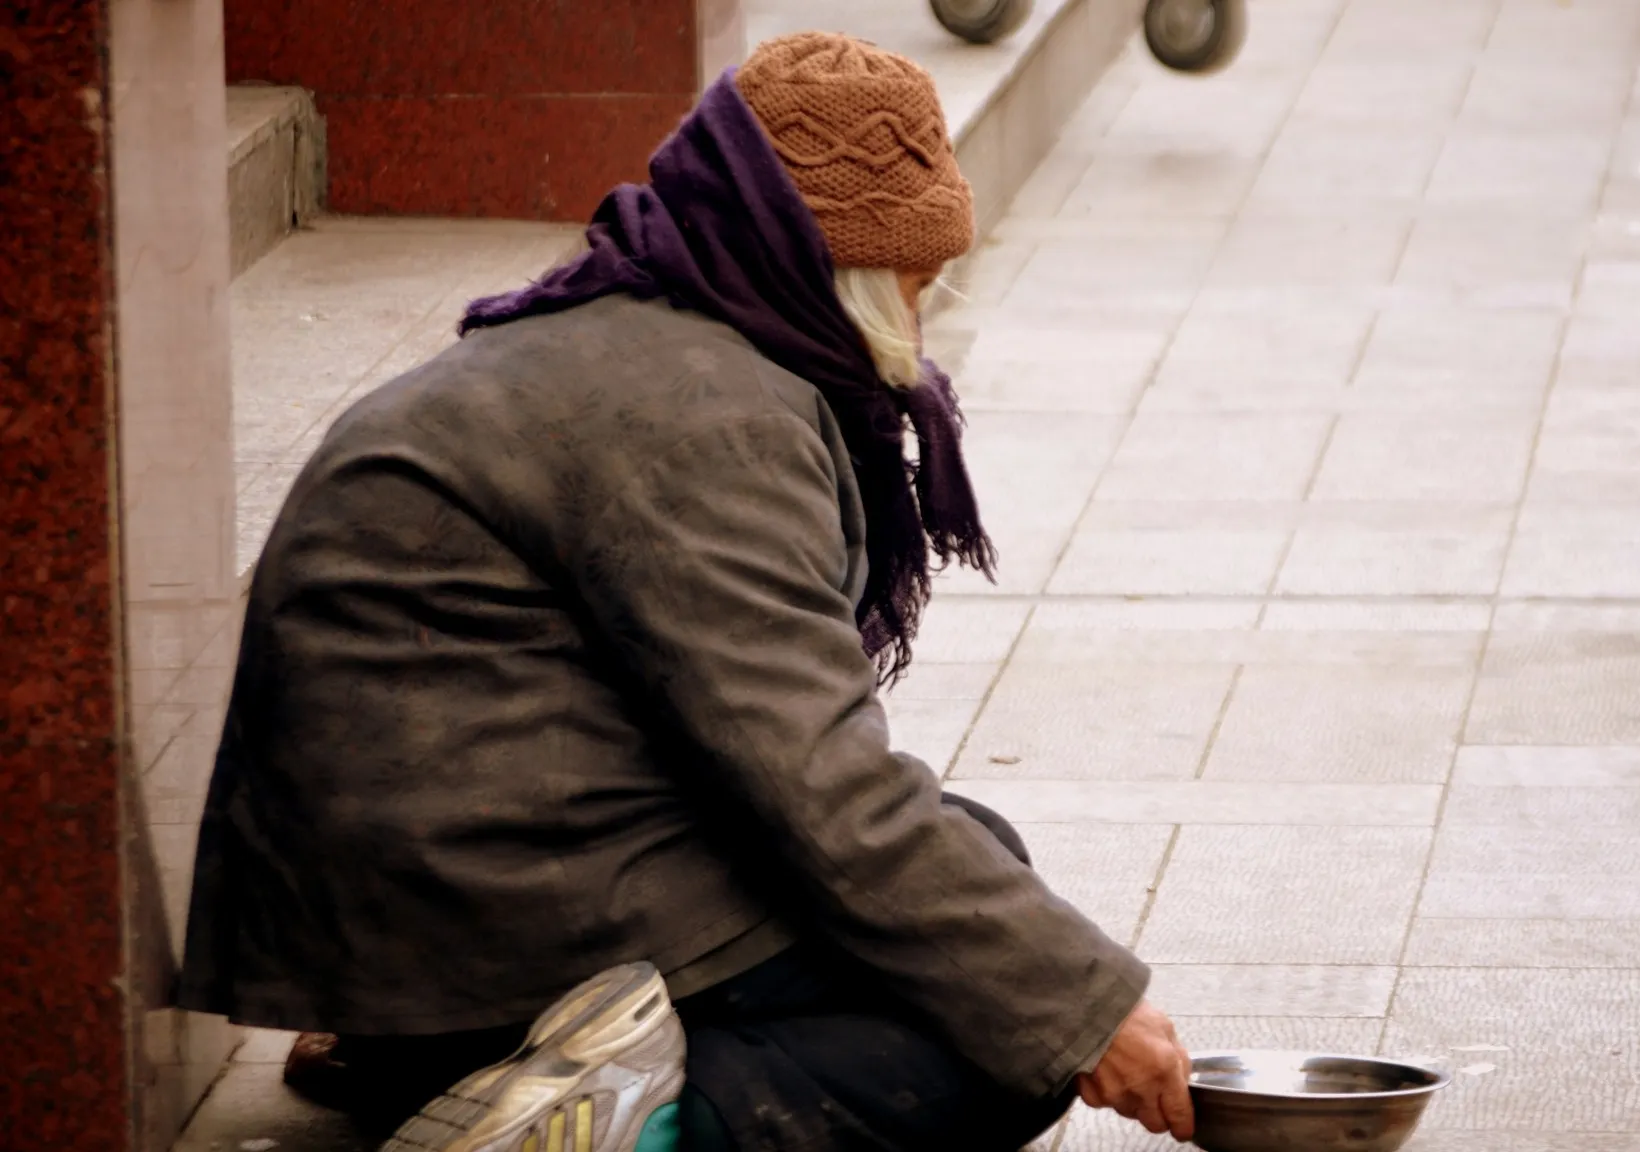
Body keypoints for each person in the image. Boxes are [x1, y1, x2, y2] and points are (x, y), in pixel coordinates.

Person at [178, 31, 1195, 1152]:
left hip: (410, 918)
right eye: (905, 286)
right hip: (474, 928)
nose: (915, 328)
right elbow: (825, 791)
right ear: (828, 272)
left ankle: (440, 1064)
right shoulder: (707, 416)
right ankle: (608, 1121)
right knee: (988, 1049)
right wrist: (1087, 1013)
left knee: (981, 873)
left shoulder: (638, 334)